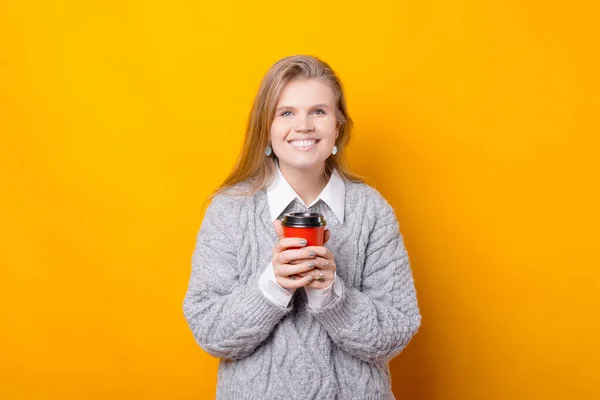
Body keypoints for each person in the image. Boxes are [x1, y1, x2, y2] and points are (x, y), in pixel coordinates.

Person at [183, 55, 421, 399]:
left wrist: (332, 295)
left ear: (337, 127)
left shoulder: (371, 210)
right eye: (287, 112)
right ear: (266, 127)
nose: (304, 126)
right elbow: (211, 333)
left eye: (319, 112)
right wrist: (272, 286)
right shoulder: (229, 210)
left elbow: (397, 332)